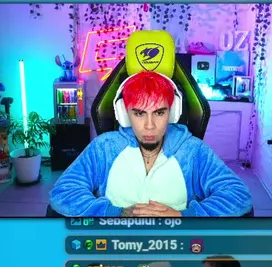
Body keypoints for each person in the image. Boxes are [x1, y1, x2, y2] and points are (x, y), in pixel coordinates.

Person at [49, 70, 252, 217]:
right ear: (124, 114)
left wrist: (184, 216)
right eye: (139, 113)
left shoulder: (193, 151)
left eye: (159, 112)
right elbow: (63, 192)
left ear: (172, 113)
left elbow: (238, 196)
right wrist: (114, 213)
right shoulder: (104, 147)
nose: (149, 125)